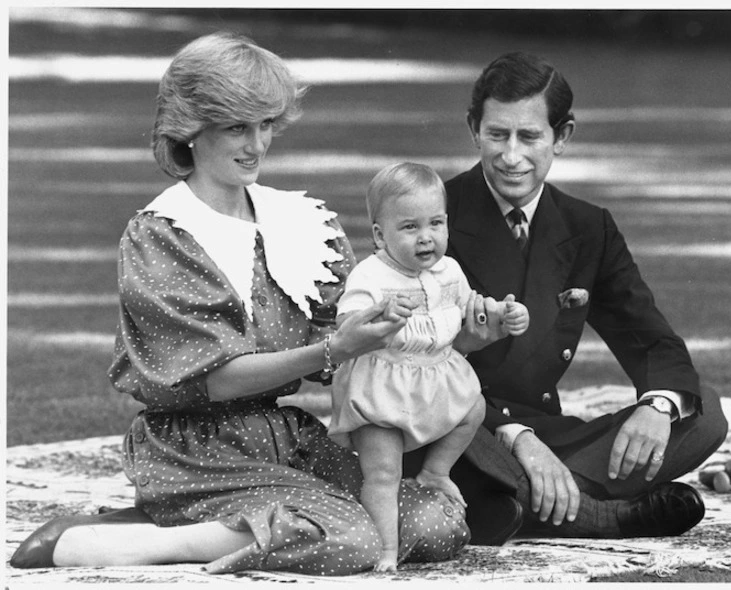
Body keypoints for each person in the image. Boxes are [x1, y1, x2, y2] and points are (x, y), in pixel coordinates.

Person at [10, 32, 473, 576]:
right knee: (352, 538)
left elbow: (359, 334)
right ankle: (115, 543)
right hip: (194, 450)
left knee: (433, 524)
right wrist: (334, 349)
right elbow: (218, 380)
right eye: (236, 127)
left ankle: (213, 525)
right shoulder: (163, 235)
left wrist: (445, 331)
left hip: (282, 437)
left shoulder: (302, 222)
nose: (256, 144)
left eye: (265, 125)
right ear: (190, 130)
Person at [405, 51, 729, 544]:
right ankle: (600, 516)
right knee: (453, 446)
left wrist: (657, 407)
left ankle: (514, 505)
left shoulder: (588, 226)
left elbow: (651, 341)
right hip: (462, 427)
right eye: (497, 134)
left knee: (701, 409)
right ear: (474, 129)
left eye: (530, 136)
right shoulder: (432, 218)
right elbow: (414, 365)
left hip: (550, 433)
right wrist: (518, 439)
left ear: (563, 136)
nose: (511, 155)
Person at [327, 162, 530, 570]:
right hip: (384, 386)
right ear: (380, 236)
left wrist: (504, 318)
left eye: (436, 223)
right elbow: (347, 326)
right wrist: (379, 314)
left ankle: (436, 471)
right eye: (410, 228)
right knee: (382, 473)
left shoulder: (449, 271)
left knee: (472, 408)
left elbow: (470, 327)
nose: (427, 238)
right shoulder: (371, 275)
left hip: (436, 376)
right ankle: (384, 551)